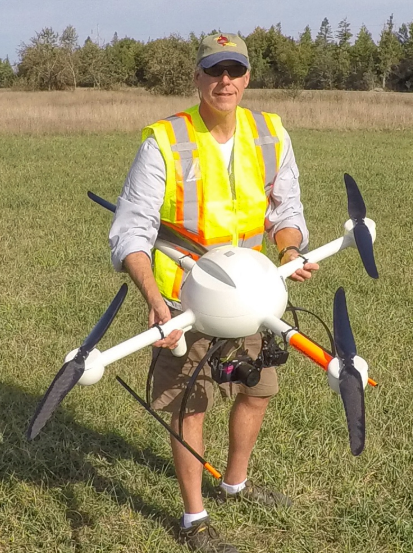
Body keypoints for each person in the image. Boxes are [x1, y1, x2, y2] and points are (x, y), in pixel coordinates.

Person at [110, 32, 318, 553]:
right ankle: (194, 518)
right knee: (191, 403)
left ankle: (235, 485)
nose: (225, 81)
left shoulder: (270, 133)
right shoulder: (164, 140)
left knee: (257, 390)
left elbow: (286, 211)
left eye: (235, 70)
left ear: (247, 77)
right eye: (214, 70)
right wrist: (154, 300)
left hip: (251, 293)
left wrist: (290, 250)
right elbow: (131, 232)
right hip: (187, 300)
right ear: (197, 77)